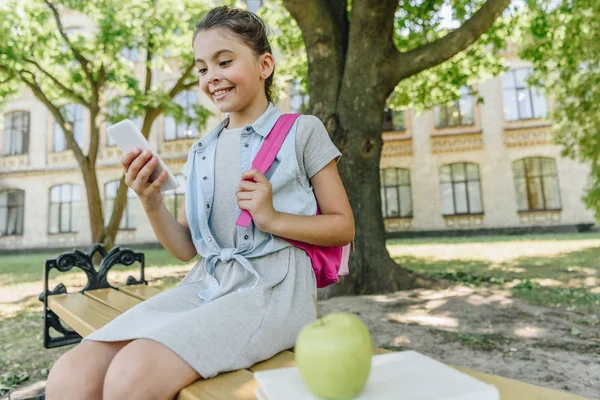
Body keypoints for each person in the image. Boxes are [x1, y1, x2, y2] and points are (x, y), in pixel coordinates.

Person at [45, 6, 354, 400]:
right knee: (72, 373)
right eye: (202, 69)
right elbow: (186, 249)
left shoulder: (302, 132)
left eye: (224, 61)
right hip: (206, 284)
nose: (212, 77)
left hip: (273, 291)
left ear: (265, 65)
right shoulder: (200, 151)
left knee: (131, 375)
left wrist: (272, 218)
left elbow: (343, 226)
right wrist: (151, 200)